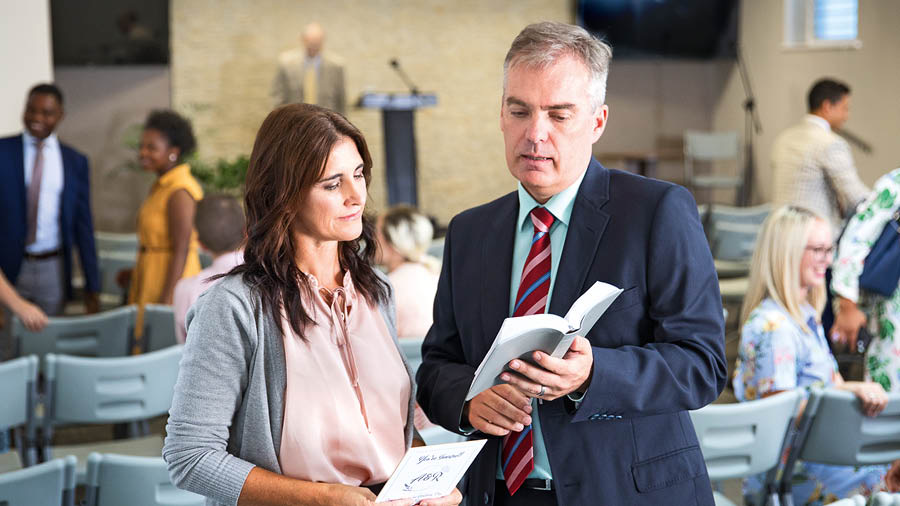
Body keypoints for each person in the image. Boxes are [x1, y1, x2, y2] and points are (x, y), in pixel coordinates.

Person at [416, 22, 726, 505]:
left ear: (597, 121)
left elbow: (702, 364)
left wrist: (594, 373)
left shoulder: (657, 211)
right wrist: (469, 402)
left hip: (622, 491)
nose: (534, 134)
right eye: (519, 111)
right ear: (501, 114)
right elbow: (436, 366)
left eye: (559, 115)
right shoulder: (469, 231)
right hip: (498, 493)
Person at [163, 104, 460, 506]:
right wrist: (321, 499)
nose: (357, 196)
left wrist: (430, 480)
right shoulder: (233, 307)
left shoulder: (378, 291)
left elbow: (389, 431)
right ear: (285, 194)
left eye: (358, 175)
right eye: (332, 184)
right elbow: (190, 457)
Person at [734, 205, 892, 504]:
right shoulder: (774, 327)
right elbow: (780, 415)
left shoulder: (804, 316)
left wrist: (855, 388)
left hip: (819, 457)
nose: (828, 259)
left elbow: (829, 385)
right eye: (818, 249)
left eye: (829, 249)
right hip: (794, 474)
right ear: (787, 253)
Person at [0, 83, 100, 357]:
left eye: (46, 112)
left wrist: (93, 284)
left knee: (47, 341)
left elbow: (84, 226)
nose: (37, 118)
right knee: (7, 344)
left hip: (53, 268)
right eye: (31, 110)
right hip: (8, 267)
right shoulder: (3, 152)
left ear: (60, 116)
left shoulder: (75, 161)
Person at [128, 110, 203, 351]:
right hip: (152, 270)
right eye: (142, 146)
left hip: (169, 276)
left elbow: (181, 248)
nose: (143, 153)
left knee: (159, 346)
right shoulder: (161, 185)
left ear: (174, 151)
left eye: (151, 148)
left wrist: (168, 299)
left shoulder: (179, 190)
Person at [831, 168, 900, 391]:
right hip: (892, 318)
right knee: (887, 401)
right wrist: (847, 304)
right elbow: (855, 240)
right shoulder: (895, 184)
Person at [772, 78, 869, 235]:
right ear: (827, 106)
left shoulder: (783, 138)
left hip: (780, 237)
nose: (846, 116)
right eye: (845, 108)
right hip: (814, 240)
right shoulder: (831, 143)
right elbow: (856, 196)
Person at [172, 194, 245, 344]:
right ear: (247, 233)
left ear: (201, 244)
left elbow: (184, 346)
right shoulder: (273, 278)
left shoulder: (185, 289)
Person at [375, 205, 440, 339]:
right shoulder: (436, 276)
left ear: (393, 242)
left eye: (376, 233)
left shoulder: (384, 290)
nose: (372, 239)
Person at [270, 22, 346, 114]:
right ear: (303, 40)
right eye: (311, 43)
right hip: (294, 120)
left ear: (323, 41)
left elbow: (341, 100)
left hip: (326, 122)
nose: (314, 47)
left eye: (317, 43)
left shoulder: (336, 66)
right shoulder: (286, 63)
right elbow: (278, 97)